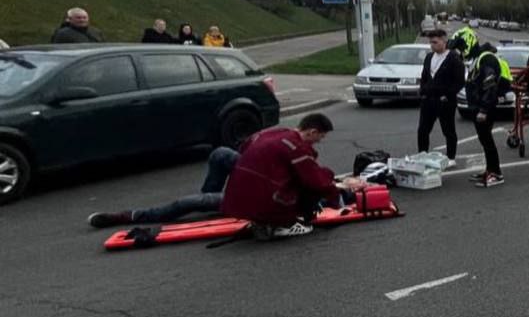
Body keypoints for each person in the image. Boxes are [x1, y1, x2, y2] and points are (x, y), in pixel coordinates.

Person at [220, 113, 360, 238]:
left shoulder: (272, 133)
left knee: (295, 175)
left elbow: (244, 148)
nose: (318, 142)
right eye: (320, 137)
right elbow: (316, 181)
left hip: (234, 196)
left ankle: (262, 221)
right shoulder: (296, 147)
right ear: (313, 132)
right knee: (312, 182)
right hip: (263, 201)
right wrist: (336, 200)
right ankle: (283, 225)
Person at [87, 147, 242, 227]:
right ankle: (209, 200)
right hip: (253, 170)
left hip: (253, 191)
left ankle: (131, 215)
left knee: (185, 203)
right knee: (220, 154)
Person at [459, 37, 511, 189]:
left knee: (487, 141)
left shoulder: (486, 59)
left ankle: (496, 173)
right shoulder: (479, 59)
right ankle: (490, 170)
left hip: (486, 108)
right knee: (485, 140)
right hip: (480, 106)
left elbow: (490, 86)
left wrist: (483, 110)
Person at [417, 28, 466, 165]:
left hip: (445, 101)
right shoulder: (429, 57)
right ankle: (422, 155)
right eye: (430, 42)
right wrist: (423, 91)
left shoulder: (454, 58)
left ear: (444, 41)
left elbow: (459, 82)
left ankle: (451, 157)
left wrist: (447, 95)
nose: (432, 45)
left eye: (435, 42)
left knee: (448, 130)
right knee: (423, 130)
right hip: (428, 100)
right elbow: (424, 76)